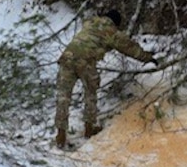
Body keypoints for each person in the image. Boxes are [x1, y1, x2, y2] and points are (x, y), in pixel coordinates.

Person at [54, 9, 157, 148]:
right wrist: (148, 58)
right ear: (115, 23)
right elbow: (129, 48)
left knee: (63, 97)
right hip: (86, 62)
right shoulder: (111, 31)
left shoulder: (90, 23)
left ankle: (61, 135)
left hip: (67, 58)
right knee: (90, 93)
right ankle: (89, 129)